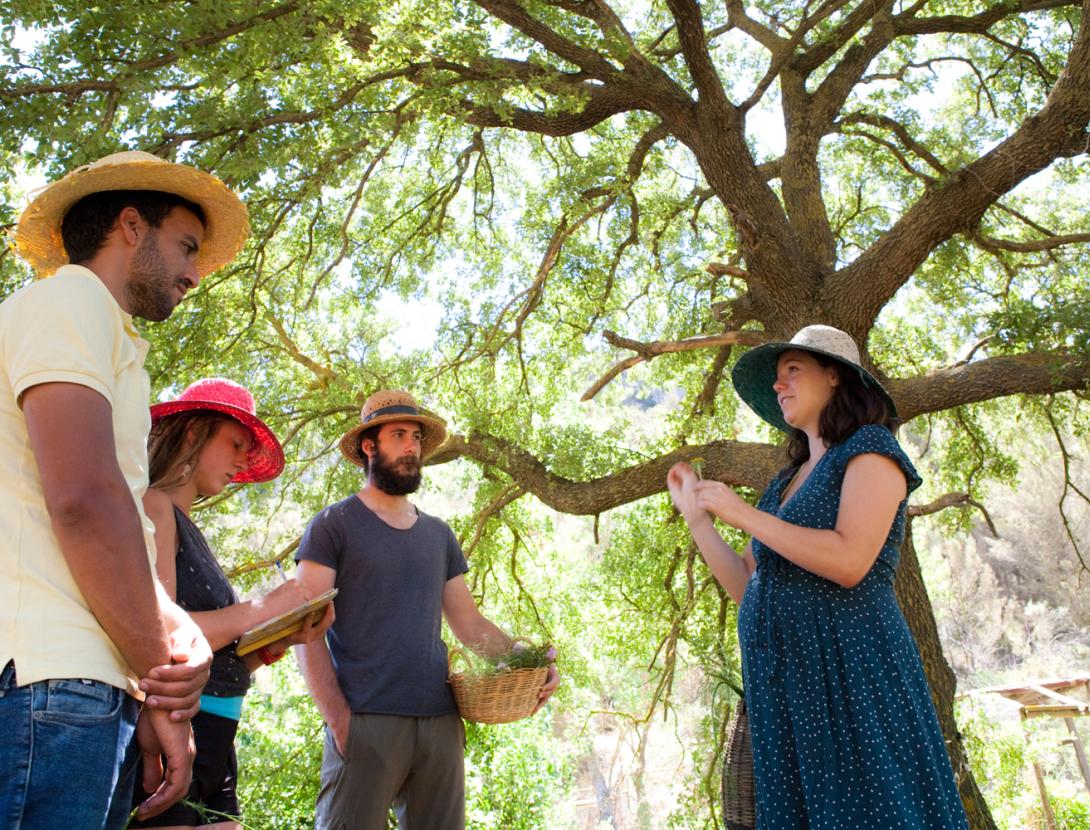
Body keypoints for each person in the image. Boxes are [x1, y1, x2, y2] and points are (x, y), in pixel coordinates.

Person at [0, 150, 250, 828]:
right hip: (51, 681)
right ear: (132, 227)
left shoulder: (109, 334)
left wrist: (164, 653)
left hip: (92, 690)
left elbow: (116, 530)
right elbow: (83, 498)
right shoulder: (71, 297)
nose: (195, 274)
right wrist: (166, 685)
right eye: (187, 247)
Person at [667, 325, 968, 829]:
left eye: (792, 371)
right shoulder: (784, 483)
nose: (779, 385)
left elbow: (851, 560)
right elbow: (748, 584)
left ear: (833, 376)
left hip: (850, 676)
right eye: (777, 378)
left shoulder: (870, 450)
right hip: (788, 691)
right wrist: (699, 519)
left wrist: (744, 515)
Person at [295, 390, 560, 830]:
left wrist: (527, 665)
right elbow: (304, 631)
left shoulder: (439, 535)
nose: (411, 447)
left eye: (416, 437)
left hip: (440, 722)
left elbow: (469, 622)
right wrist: (340, 722)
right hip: (366, 720)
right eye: (398, 435)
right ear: (369, 446)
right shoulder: (332, 525)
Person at [129, 378, 334, 829]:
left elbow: (210, 646)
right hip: (179, 732)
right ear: (193, 432)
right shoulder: (154, 507)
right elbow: (163, 633)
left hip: (220, 736)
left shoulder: (188, 525)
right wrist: (263, 607)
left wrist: (271, 645)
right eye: (236, 443)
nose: (242, 461)